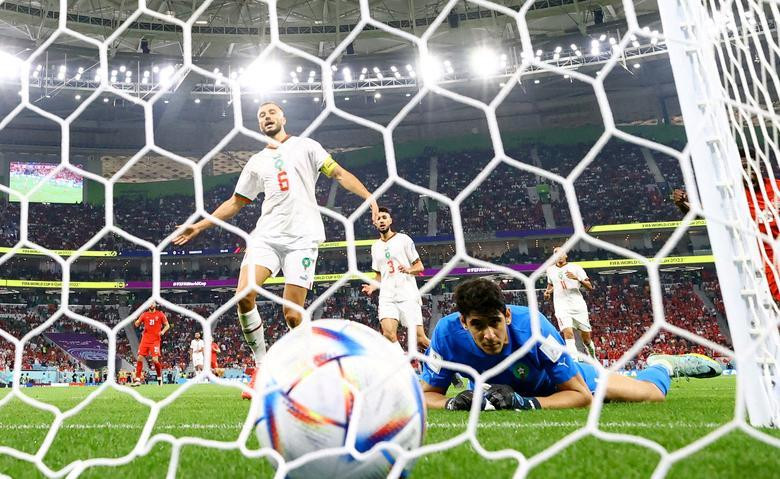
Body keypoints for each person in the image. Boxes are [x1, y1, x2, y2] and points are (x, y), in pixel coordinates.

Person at [172, 101, 379, 399]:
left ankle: (311, 368)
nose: (266, 117)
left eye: (271, 112)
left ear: (283, 116)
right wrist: (199, 226)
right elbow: (235, 203)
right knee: (243, 295)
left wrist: (370, 199)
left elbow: (339, 174)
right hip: (266, 236)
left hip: (302, 238)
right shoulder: (256, 161)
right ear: (258, 124)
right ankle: (262, 369)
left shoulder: (307, 146)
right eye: (261, 115)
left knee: (293, 316)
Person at [421, 278, 722, 411]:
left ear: (507, 316)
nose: (488, 335)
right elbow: (424, 398)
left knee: (651, 396)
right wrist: (450, 402)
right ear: (464, 322)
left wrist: (525, 404)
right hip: (501, 392)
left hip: (558, 385)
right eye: (477, 325)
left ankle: (662, 364)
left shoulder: (534, 328)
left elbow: (580, 397)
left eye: (494, 323)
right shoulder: (446, 335)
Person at [673, 147, 780, 302]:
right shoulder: (732, 198)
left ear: (759, 166)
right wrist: (682, 203)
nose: (748, 171)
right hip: (766, 261)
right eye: (743, 167)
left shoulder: (777, 187)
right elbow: (700, 214)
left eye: (751, 166)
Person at [362, 207, 430, 352]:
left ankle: (448, 365)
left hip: (407, 294)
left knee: (421, 340)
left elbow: (420, 266)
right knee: (388, 335)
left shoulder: (404, 239)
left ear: (390, 221)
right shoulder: (375, 247)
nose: (381, 220)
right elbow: (379, 275)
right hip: (387, 297)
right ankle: (406, 369)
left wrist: (409, 270)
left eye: (384, 217)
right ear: (375, 223)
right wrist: (372, 286)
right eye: (378, 218)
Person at [544, 247, 596, 359]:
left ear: (566, 255)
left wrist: (577, 278)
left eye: (561, 253)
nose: (558, 255)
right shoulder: (550, 270)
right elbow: (551, 284)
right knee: (568, 333)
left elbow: (590, 287)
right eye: (555, 253)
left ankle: (593, 358)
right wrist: (547, 292)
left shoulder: (575, 268)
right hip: (561, 306)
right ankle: (574, 362)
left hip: (578, 306)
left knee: (586, 339)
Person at [132, 302, 169, 387]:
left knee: (155, 360)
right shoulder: (144, 314)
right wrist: (136, 321)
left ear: (155, 305)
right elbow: (137, 324)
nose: (151, 305)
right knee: (139, 358)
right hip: (145, 339)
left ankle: (159, 377)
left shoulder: (160, 314)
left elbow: (167, 325)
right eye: (149, 304)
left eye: (152, 304)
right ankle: (137, 379)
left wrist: (162, 331)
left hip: (155, 340)